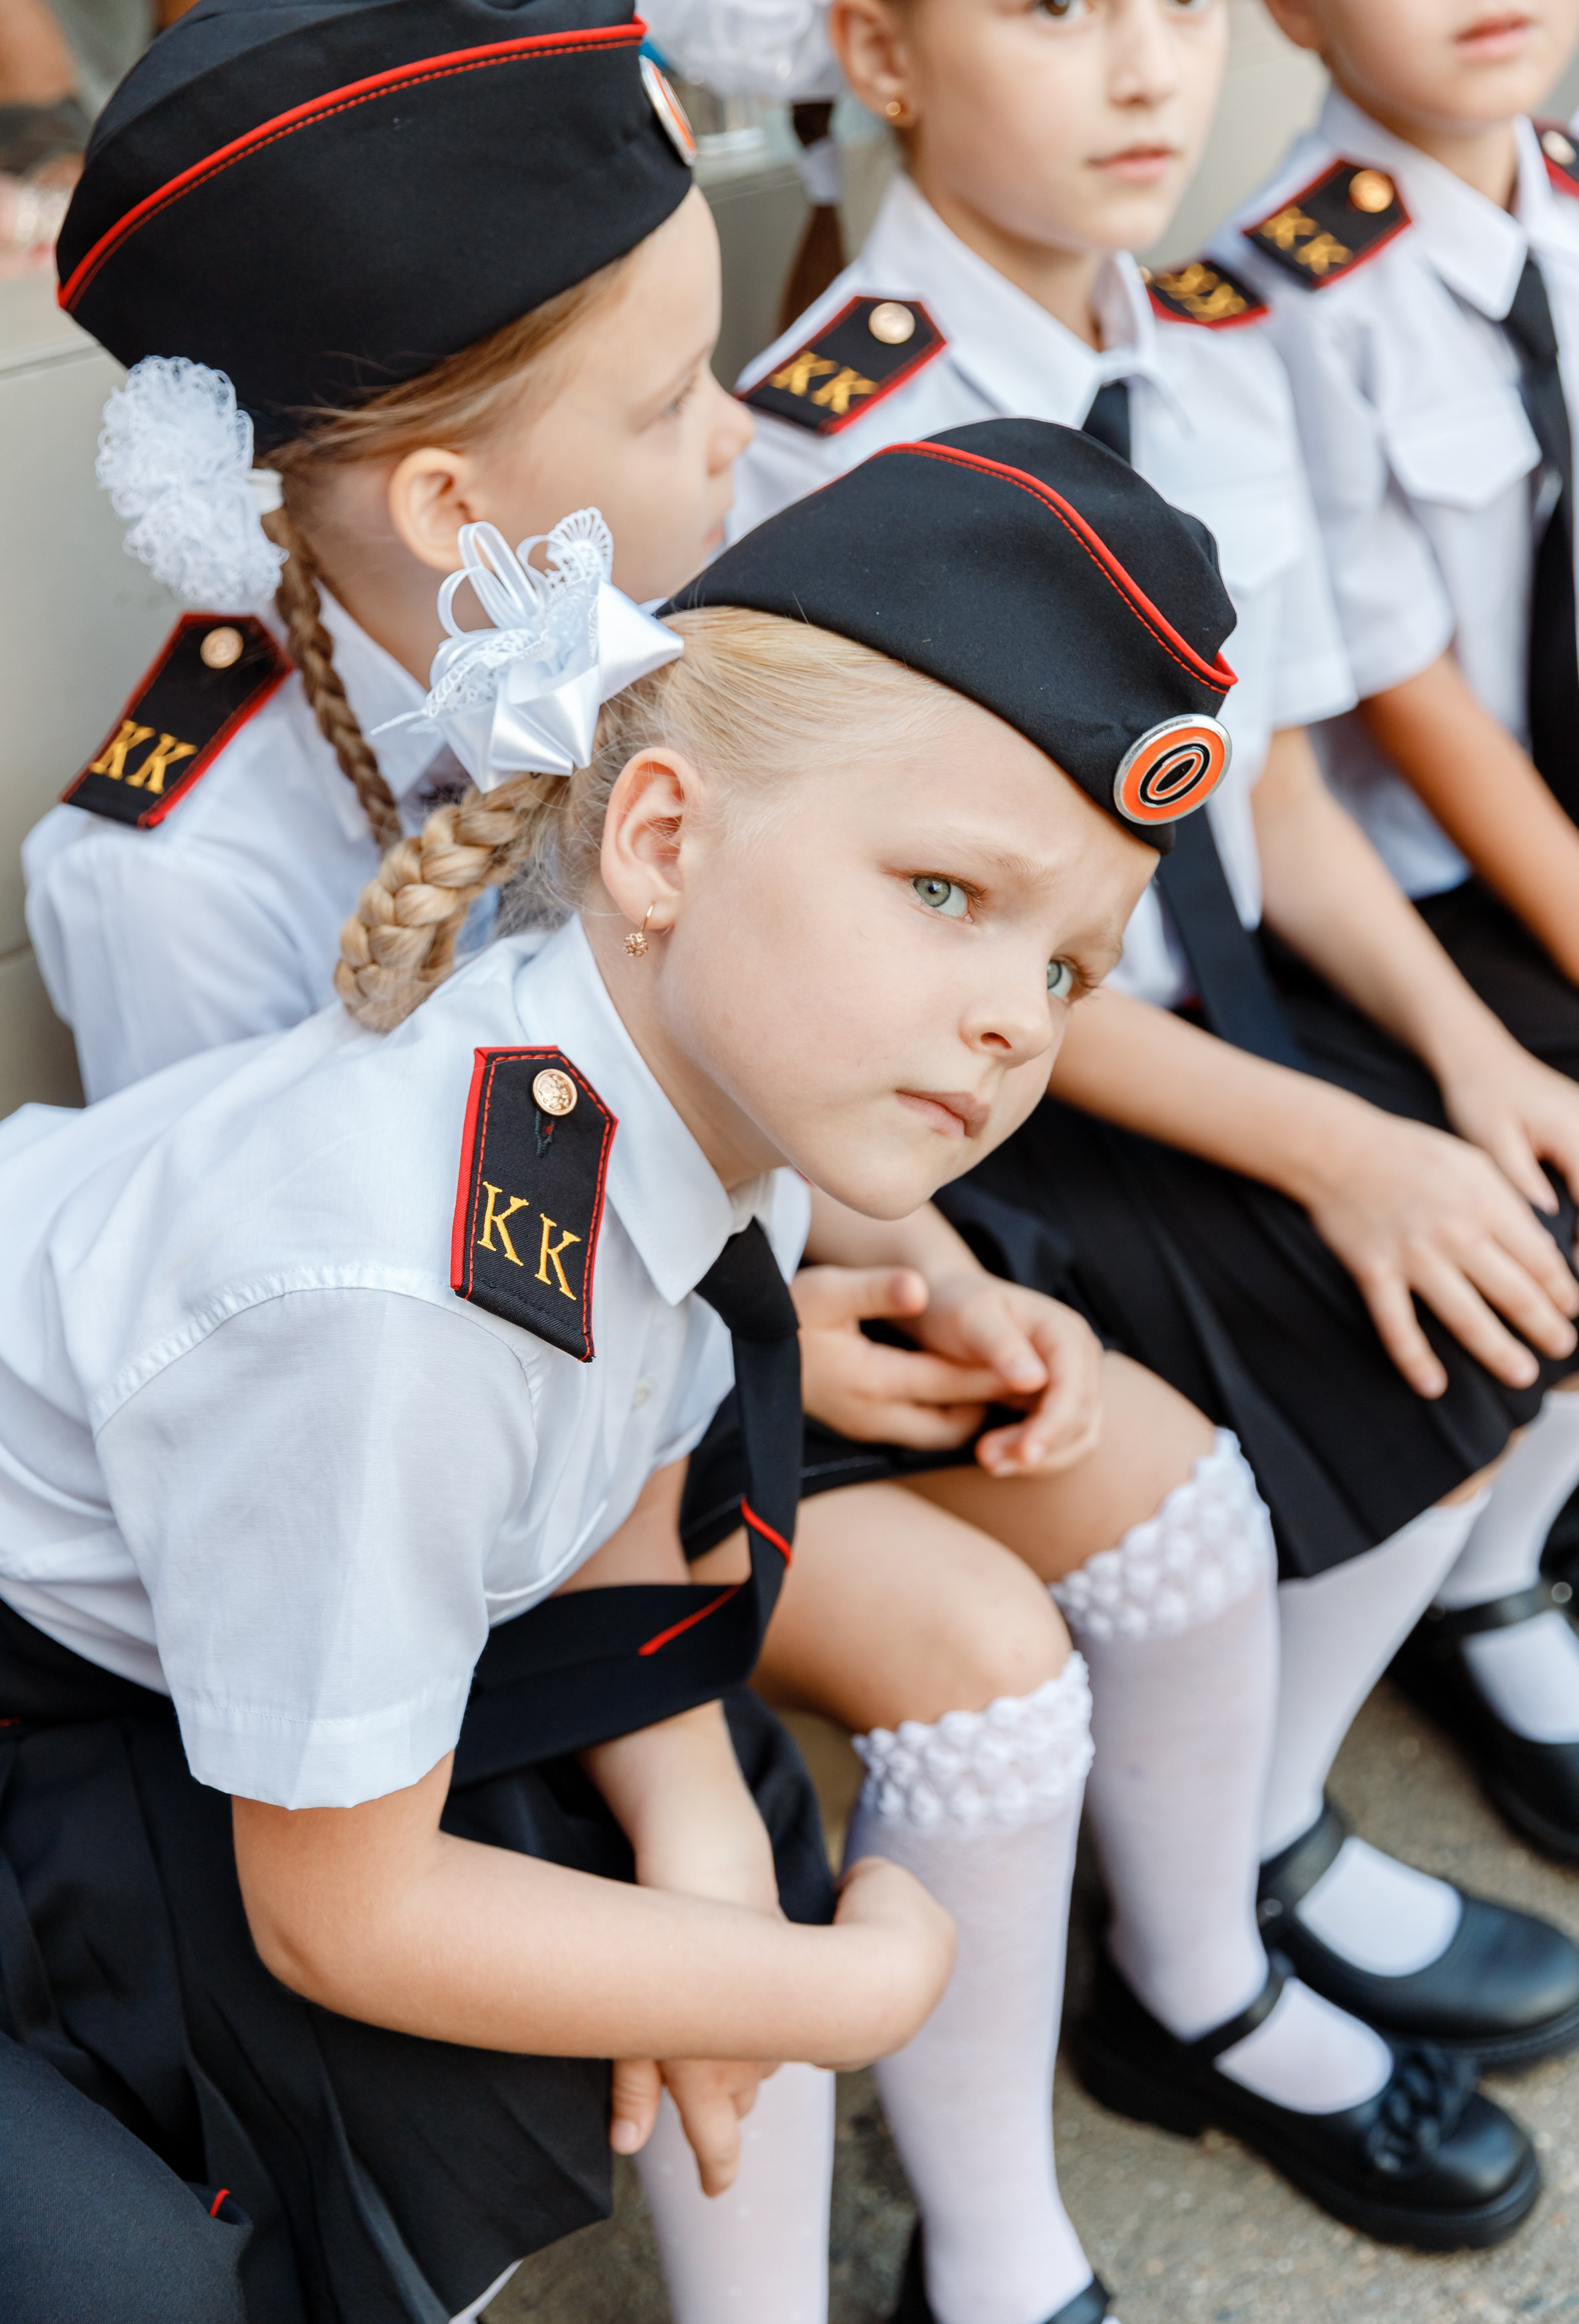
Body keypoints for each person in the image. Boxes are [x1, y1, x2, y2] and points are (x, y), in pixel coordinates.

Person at [0, 395, 1309, 2315]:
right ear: (662, 838)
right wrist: (841, 1983)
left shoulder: (692, 1084)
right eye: (944, 893)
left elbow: (607, 1426)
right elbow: (338, 1911)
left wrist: (696, 1808)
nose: (1013, 1023)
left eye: (1062, 967)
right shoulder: (403, 1300)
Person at [681, 0, 1579, 2127]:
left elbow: (1260, 777)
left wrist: (1458, 1058)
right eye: (1060, 3)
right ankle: (1219, 1886)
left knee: (1529, 1147)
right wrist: (1337, 1146)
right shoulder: (836, 418)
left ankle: (1328, 1746)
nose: (1156, 64)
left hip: (1213, 1008)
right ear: (882, 58)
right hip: (1001, 1101)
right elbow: (917, 975)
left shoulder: (1171, 333)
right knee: (1400, 1304)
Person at [23, 0, 753, 1102]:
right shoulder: (179, 881)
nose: (738, 430)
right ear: (450, 510)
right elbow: (248, 1265)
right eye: (671, 402)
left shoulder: (656, 634)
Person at [1225, 0, 1579, 1859]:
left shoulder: (1565, 197)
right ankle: (1481, 1577)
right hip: (1408, 897)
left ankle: (1518, 1538)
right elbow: (1404, 691)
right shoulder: (1285, 290)